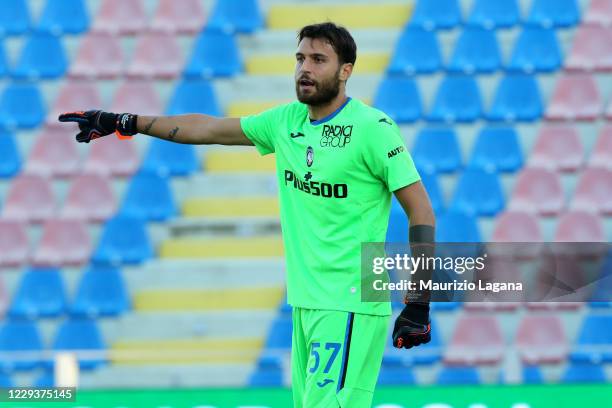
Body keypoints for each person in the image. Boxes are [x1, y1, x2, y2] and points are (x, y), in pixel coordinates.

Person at [59, 22, 435, 408]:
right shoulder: (285, 122)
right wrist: (126, 121)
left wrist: (419, 298)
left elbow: (420, 208)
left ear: (346, 71)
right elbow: (207, 129)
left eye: (318, 60)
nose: (305, 68)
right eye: (301, 58)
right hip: (306, 302)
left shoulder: (373, 129)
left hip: (351, 300)